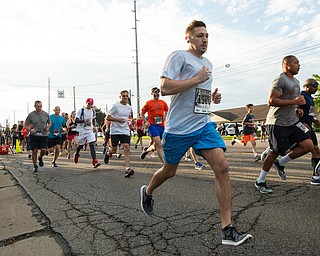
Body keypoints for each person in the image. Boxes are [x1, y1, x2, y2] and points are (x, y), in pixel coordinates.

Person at [140, 20, 252, 246]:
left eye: (207, 36)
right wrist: (196, 79)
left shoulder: (208, 63)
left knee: (222, 167)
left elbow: (195, 95)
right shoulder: (178, 56)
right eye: (200, 35)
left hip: (202, 125)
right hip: (178, 129)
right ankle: (149, 191)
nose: (205, 40)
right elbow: (165, 87)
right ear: (188, 38)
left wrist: (211, 98)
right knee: (169, 171)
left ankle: (227, 230)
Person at [255, 55, 314, 193]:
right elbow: (272, 101)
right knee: (274, 151)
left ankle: (280, 163)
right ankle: (260, 181)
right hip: (277, 122)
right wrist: (295, 103)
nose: (299, 65)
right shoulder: (280, 79)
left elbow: (293, 101)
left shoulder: (297, 81)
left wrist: (297, 110)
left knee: (308, 145)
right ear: (287, 64)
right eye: (296, 62)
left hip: (292, 121)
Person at [104, 90, 135, 178]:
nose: (125, 97)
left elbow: (129, 117)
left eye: (126, 96)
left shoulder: (129, 107)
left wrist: (131, 121)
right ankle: (108, 152)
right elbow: (107, 117)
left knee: (127, 147)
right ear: (120, 97)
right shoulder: (115, 106)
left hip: (125, 130)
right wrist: (118, 120)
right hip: (115, 131)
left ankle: (127, 168)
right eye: (123, 96)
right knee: (114, 150)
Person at [298, 78, 320, 185]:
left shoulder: (311, 99)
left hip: (309, 126)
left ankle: (316, 176)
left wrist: (314, 120)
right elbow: (294, 110)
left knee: (316, 150)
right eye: (314, 85)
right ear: (307, 86)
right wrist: (302, 122)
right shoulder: (301, 96)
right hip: (301, 126)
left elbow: (309, 112)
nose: (316, 88)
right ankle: (274, 154)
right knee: (292, 149)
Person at [140, 87, 169, 163]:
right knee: (159, 144)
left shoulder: (162, 102)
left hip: (161, 125)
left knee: (159, 145)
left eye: (158, 92)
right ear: (152, 93)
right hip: (152, 125)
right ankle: (164, 163)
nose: (156, 94)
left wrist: (166, 120)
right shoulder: (148, 103)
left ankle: (147, 150)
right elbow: (142, 113)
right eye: (155, 92)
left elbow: (167, 111)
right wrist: (146, 121)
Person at [24, 100, 51, 173]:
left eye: (40, 106)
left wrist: (48, 127)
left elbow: (49, 122)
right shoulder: (31, 115)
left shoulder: (45, 114)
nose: (39, 108)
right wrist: (30, 130)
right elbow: (25, 125)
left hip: (43, 135)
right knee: (34, 151)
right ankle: (35, 166)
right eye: (38, 106)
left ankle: (40, 157)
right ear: (35, 106)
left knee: (43, 150)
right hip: (34, 135)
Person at [73, 98, 101, 168]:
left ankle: (94, 160)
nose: (90, 105)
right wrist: (84, 121)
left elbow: (93, 119)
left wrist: (94, 126)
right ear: (86, 103)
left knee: (92, 144)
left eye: (91, 104)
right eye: (89, 104)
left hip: (89, 130)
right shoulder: (81, 110)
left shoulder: (93, 111)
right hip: (82, 131)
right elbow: (75, 120)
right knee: (80, 146)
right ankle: (76, 154)